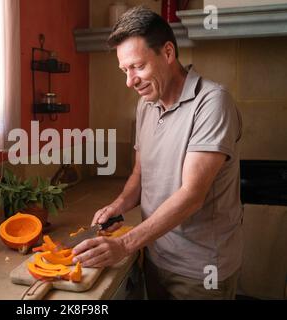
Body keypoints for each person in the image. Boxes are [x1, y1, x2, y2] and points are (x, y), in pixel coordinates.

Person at [72, 6, 243, 300]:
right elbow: (141, 174)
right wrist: (119, 205)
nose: (130, 81)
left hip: (200, 270)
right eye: (125, 71)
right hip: (154, 253)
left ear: (167, 53)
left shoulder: (212, 103)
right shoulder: (146, 105)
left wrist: (125, 244)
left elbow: (192, 194)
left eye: (137, 66)